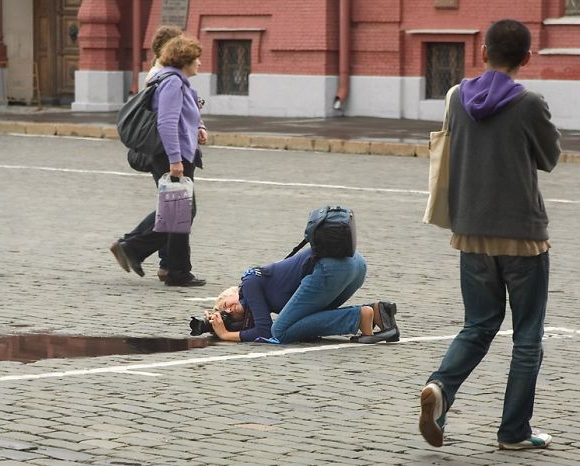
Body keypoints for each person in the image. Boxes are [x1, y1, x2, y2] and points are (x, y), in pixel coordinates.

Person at [418, 19, 561, 451]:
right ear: (527, 58)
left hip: (472, 232)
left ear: (482, 53)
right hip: (522, 235)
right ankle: (513, 432)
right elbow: (549, 157)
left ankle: (440, 387)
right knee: (527, 336)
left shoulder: (455, 97)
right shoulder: (530, 102)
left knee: (478, 325)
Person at [111, 26, 208, 285]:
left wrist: (199, 127)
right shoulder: (172, 82)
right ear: (184, 60)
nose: (199, 63)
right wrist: (175, 160)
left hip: (177, 154)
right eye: (196, 58)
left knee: (177, 210)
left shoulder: (176, 80)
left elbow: (186, 114)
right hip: (170, 155)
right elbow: (166, 123)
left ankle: (174, 269)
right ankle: (133, 248)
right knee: (180, 211)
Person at [204, 249, 400, 344]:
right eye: (228, 313)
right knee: (300, 321)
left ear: (233, 292)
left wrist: (226, 334)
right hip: (356, 263)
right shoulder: (259, 290)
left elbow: (265, 331)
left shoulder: (248, 284)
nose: (230, 309)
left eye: (226, 304)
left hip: (331, 267)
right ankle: (377, 312)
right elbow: (260, 326)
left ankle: (358, 316)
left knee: (280, 331)